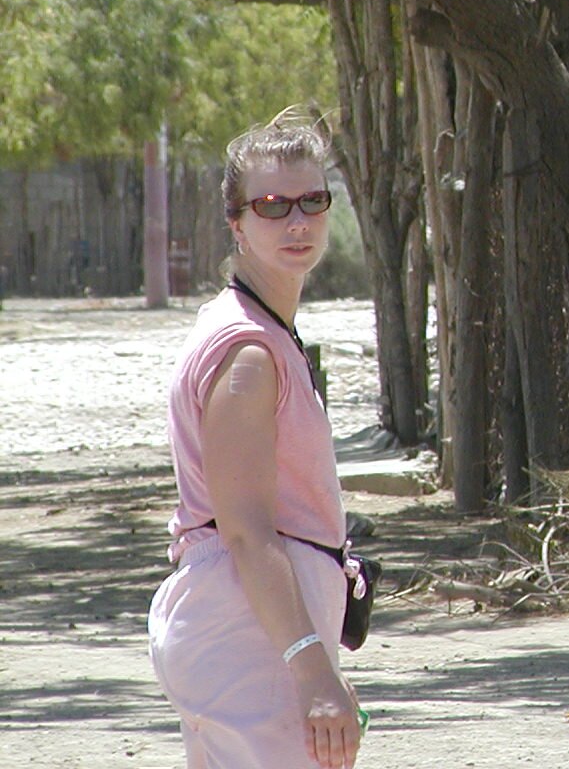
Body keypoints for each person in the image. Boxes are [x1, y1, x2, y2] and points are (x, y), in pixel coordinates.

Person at [148, 109, 363, 769]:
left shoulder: (259, 330)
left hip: (245, 634)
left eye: (312, 201)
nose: (297, 222)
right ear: (237, 222)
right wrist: (313, 671)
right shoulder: (247, 351)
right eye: (272, 206)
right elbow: (245, 530)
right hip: (245, 636)